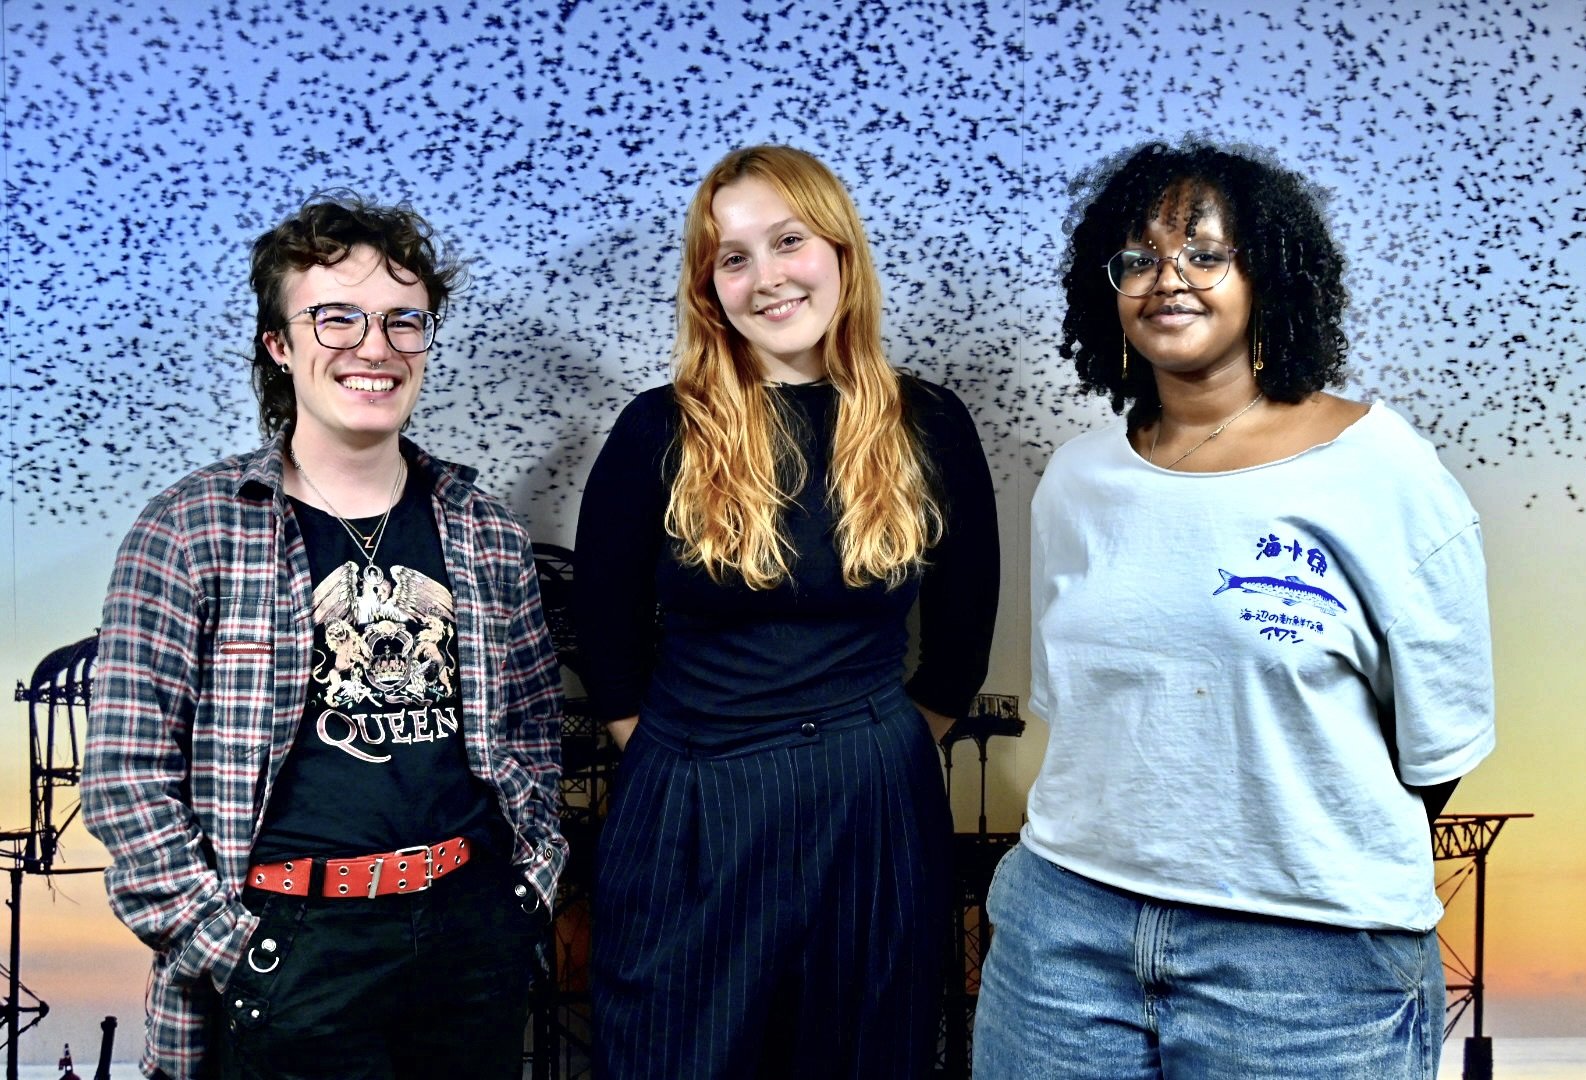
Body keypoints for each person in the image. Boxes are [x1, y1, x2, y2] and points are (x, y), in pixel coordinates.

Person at [972, 140, 1495, 1079]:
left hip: (1308, 958)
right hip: (1065, 934)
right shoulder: (1077, 481)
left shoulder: (1380, 468)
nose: (1167, 280)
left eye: (1205, 253)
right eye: (1138, 259)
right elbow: (1087, 714)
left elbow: (1441, 744)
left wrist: (1283, 844)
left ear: (1267, 273)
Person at [83, 193, 567, 1080]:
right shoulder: (193, 528)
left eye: (401, 321)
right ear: (280, 344)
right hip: (289, 947)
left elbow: (535, 727)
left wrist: (525, 893)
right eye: (335, 317)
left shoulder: (484, 530)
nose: (374, 347)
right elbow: (124, 772)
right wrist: (229, 947)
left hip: (470, 936)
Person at [573, 144, 999, 1078]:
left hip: (871, 801)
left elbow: (962, 642)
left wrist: (874, 749)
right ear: (708, 286)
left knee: (860, 1057)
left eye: (788, 241)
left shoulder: (927, 423)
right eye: (733, 257)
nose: (765, 277)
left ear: (840, 251)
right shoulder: (659, 427)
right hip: (692, 796)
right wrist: (672, 757)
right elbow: (604, 634)